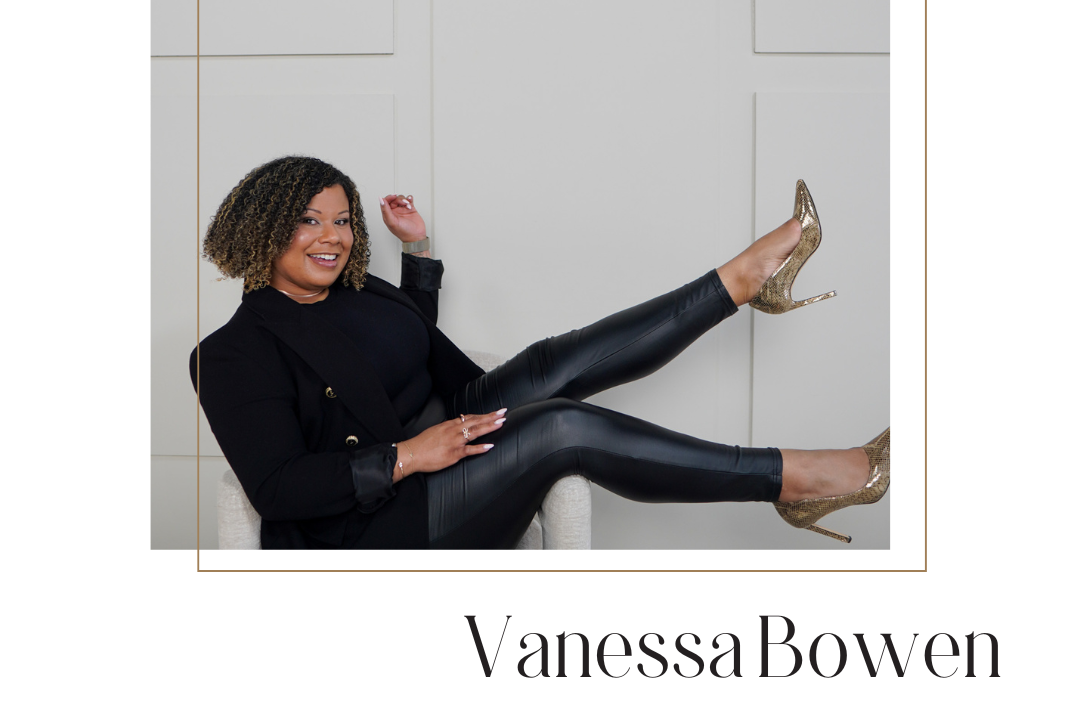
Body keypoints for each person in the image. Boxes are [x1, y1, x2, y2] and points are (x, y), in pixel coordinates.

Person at [191, 156, 890, 550]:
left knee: (552, 361)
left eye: (343, 220)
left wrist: (417, 250)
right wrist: (407, 457)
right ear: (261, 230)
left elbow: (393, 348)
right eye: (309, 220)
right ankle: (793, 480)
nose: (333, 237)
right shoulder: (230, 354)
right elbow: (276, 487)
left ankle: (741, 283)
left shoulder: (350, 286)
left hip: (447, 425)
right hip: (388, 518)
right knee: (563, 426)